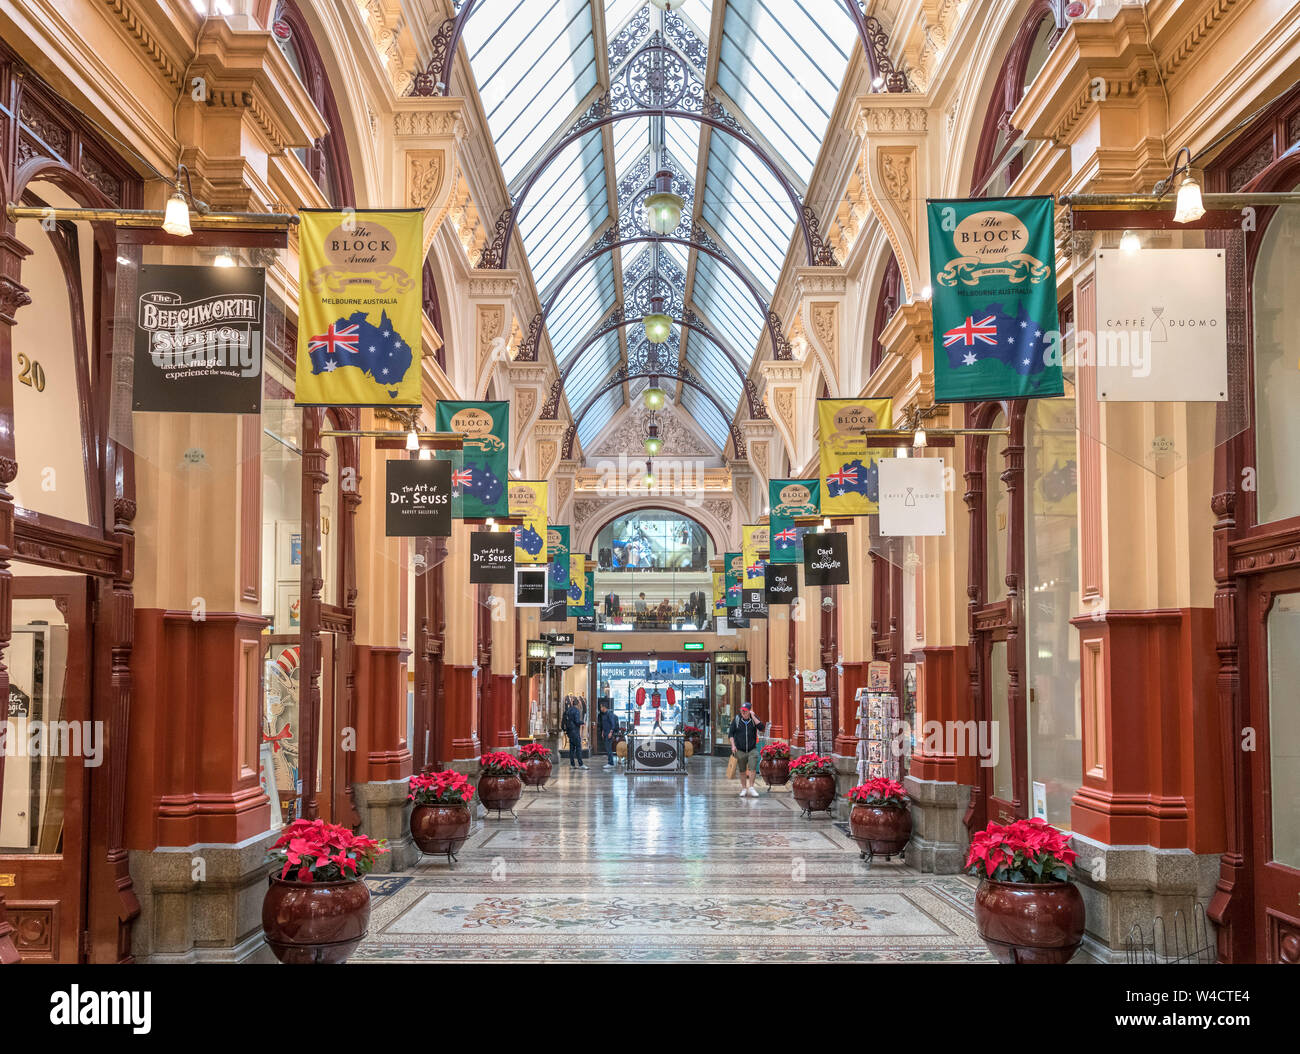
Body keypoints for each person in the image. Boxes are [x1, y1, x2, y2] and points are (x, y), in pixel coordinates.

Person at [728, 703, 766, 797]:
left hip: (752, 749)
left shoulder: (753, 719)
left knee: (752, 768)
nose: (743, 712)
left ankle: (752, 787)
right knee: (742, 770)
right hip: (740, 749)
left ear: (749, 710)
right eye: (742, 710)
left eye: (745, 710)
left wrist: (753, 716)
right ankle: (744, 788)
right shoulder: (737, 719)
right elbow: (731, 734)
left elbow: (762, 728)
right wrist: (733, 746)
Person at [563, 696, 586, 769]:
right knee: (578, 748)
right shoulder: (576, 711)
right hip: (575, 732)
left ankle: (572, 764)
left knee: (571, 749)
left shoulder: (568, 710)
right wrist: (582, 722)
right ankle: (581, 764)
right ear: (578, 703)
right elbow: (577, 721)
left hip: (569, 732)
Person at [598, 701, 619, 770]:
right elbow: (604, 724)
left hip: (609, 734)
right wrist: (603, 732)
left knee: (609, 748)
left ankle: (611, 763)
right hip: (605, 733)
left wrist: (610, 733)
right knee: (607, 748)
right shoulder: (603, 714)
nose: (600, 708)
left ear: (604, 707)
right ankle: (610, 762)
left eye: (601, 707)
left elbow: (612, 724)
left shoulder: (609, 714)